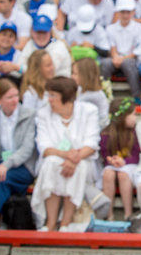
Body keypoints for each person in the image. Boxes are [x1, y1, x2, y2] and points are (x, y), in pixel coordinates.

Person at [31, 76, 100, 231]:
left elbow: (91, 144)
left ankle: (65, 223)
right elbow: (44, 147)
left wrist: (74, 159)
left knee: (79, 167)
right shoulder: (43, 114)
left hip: (83, 160)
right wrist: (67, 155)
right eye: (49, 95)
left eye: (53, 95)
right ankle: (50, 223)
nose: (49, 100)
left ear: (66, 96)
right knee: (51, 163)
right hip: (56, 160)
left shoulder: (89, 111)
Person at [0, 78, 37, 230]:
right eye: (9, 97)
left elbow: (27, 148)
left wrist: (6, 165)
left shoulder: (28, 115)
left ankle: (4, 218)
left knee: (3, 177)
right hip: (1, 161)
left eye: (16, 96)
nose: (14, 100)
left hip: (22, 165)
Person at [101, 97, 140, 221]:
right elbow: (104, 154)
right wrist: (111, 161)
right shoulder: (106, 134)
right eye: (133, 115)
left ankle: (128, 214)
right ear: (123, 116)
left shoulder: (134, 132)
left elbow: (136, 155)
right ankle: (109, 215)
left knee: (123, 175)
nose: (135, 118)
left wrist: (124, 162)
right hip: (112, 165)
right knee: (108, 174)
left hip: (130, 164)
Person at [72, 57, 109, 130]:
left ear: (85, 76)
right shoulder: (81, 88)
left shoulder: (93, 96)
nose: (72, 76)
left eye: (75, 74)